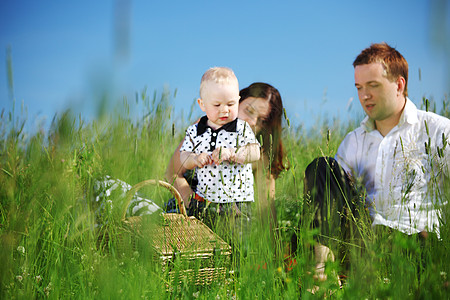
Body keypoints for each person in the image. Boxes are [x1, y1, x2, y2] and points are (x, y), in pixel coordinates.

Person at [291, 42, 450, 284]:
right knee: (323, 167)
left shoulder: (437, 130)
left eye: (373, 86)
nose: (364, 96)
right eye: (359, 87)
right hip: (363, 238)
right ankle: (322, 272)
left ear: (399, 84)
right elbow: (330, 199)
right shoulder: (354, 140)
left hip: (414, 241)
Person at [166, 81, 287, 241]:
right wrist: (197, 210)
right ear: (237, 102)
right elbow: (173, 173)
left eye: (262, 121)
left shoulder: (259, 154)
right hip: (187, 211)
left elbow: (266, 209)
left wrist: (274, 253)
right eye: (249, 111)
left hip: (233, 227)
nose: (252, 122)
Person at [178, 67, 260, 239]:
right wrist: (194, 158)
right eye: (217, 105)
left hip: (237, 200)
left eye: (231, 104)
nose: (224, 110)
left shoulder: (241, 128)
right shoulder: (195, 131)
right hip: (205, 200)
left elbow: (255, 152)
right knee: (206, 239)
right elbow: (183, 157)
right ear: (202, 104)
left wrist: (232, 153)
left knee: (237, 241)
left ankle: (236, 263)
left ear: (238, 101)